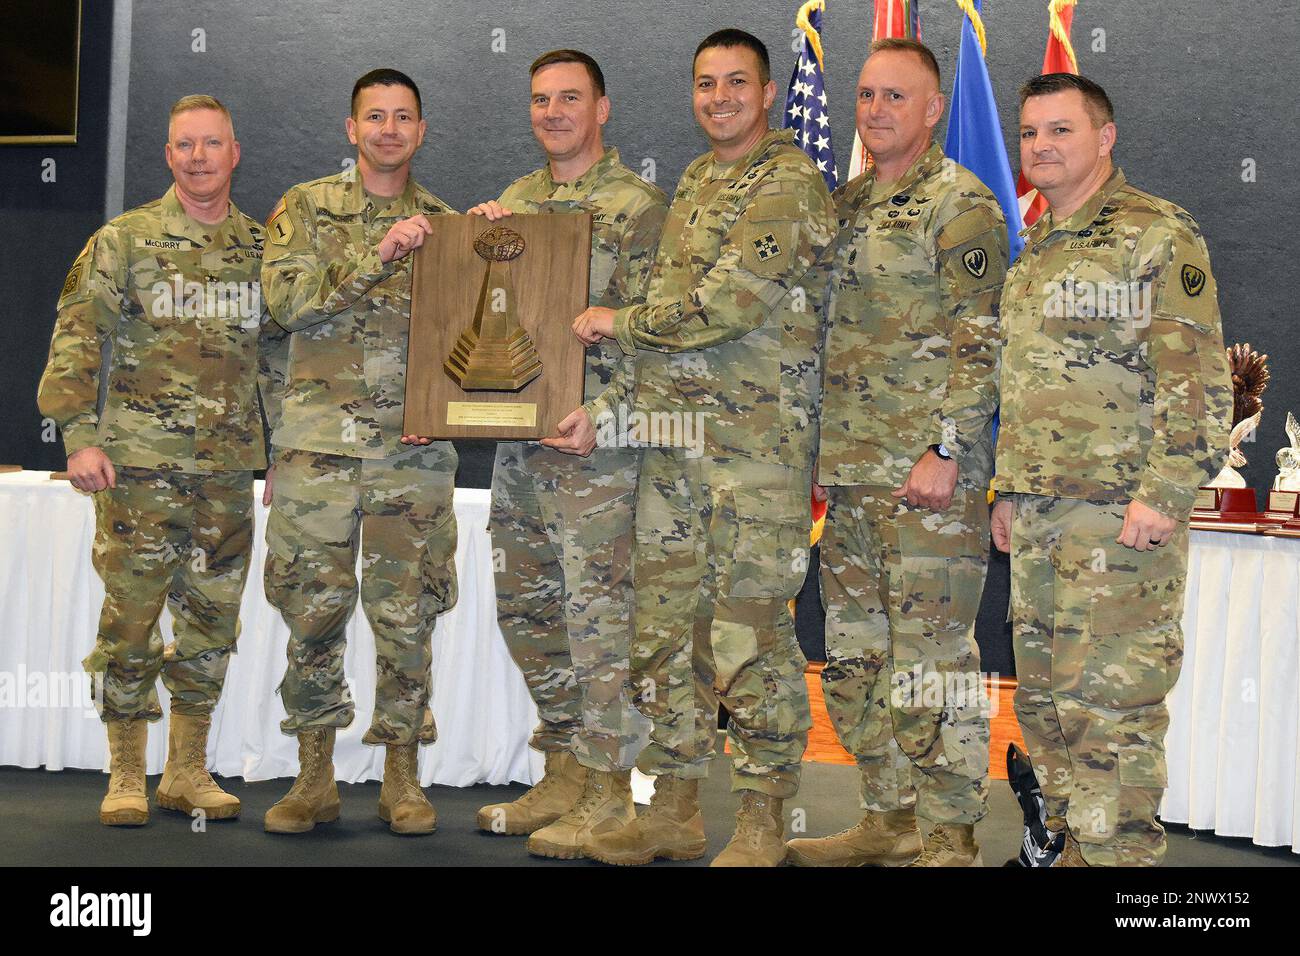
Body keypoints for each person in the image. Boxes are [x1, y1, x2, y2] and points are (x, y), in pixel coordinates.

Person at [564, 28, 835, 867]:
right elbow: (669, 329)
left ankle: (760, 815)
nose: (719, 98)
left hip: (752, 459)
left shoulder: (786, 182)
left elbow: (729, 305)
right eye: (705, 84)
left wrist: (620, 321)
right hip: (672, 452)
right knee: (665, 635)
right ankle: (675, 804)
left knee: (749, 638)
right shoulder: (694, 181)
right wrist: (607, 411)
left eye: (736, 84)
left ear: (763, 92)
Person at [989, 73, 1232, 866]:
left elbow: (1197, 380)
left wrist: (1163, 496)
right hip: (1040, 518)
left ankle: (1121, 867)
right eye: (1029, 134)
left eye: (1061, 130)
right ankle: (1061, 847)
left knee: (1113, 709)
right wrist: (1008, 490)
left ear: (1106, 136)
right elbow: (1030, 386)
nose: (1040, 147)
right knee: (1051, 703)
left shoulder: (1154, 234)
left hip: (1119, 519)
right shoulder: (1038, 250)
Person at [786, 38, 1007, 868]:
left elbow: (978, 338)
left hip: (928, 478)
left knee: (934, 664)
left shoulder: (963, 204)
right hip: (848, 474)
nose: (876, 111)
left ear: (934, 108)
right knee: (852, 658)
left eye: (896, 97)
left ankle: (950, 834)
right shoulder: (842, 206)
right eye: (867, 95)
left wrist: (946, 449)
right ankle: (888, 812)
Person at [38, 95, 265, 826]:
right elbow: (77, 332)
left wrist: (289, 452)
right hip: (136, 472)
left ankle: (189, 770)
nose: (198, 157)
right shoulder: (124, 241)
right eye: (184, 145)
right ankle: (129, 771)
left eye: (211, 144)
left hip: (227, 474)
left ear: (235, 153)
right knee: (130, 624)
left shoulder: (265, 253)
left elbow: (288, 361)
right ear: (169, 156)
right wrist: (78, 432)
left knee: (211, 625)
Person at [464, 49, 667, 859]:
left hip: (600, 457)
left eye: (569, 98)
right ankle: (563, 770)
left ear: (603, 108)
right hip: (521, 451)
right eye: (541, 99)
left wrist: (609, 416)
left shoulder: (642, 208)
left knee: (600, 627)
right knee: (530, 613)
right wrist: (469, 254)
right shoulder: (513, 203)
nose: (553, 112)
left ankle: (612, 792)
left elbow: (667, 338)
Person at [259, 69, 458, 836]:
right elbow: (285, 304)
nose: (387, 129)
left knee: (408, 615)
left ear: (421, 130)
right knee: (313, 613)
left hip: (413, 454)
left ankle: (402, 776)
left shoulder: (444, 224)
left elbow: (470, 341)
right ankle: (314, 776)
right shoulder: (305, 209)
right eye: (374, 116)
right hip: (317, 450)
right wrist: (380, 253)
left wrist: (494, 246)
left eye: (402, 117)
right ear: (351, 129)